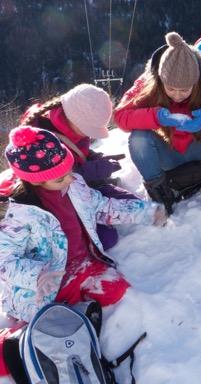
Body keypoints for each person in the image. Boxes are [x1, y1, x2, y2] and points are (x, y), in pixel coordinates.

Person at [0, 126, 167, 376]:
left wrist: (144, 213)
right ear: (34, 179)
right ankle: (13, 343)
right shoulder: (18, 215)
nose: (69, 179)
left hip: (81, 264)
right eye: (60, 178)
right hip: (41, 284)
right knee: (51, 326)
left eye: (69, 171)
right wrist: (36, 275)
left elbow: (102, 207)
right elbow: (4, 259)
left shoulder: (74, 185)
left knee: (115, 290)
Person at [114, 31, 201, 214]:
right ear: (161, 81)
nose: (177, 95)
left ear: (195, 83)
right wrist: (156, 117)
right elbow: (121, 116)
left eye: (185, 90)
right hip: (168, 154)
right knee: (139, 138)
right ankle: (161, 194)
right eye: (171, 89)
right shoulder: (148, 84)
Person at [18, 83, 135, 250]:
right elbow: (56, 179)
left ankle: (92, 219)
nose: (89, 134)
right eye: (88, 129)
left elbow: (80, 152)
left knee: (131, 205)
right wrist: (95, 170)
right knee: (106, 239)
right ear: (73, 118)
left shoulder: (71, 127)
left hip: (82, 189)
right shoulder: (41, 137)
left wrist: (96, 158)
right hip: (58, 198)